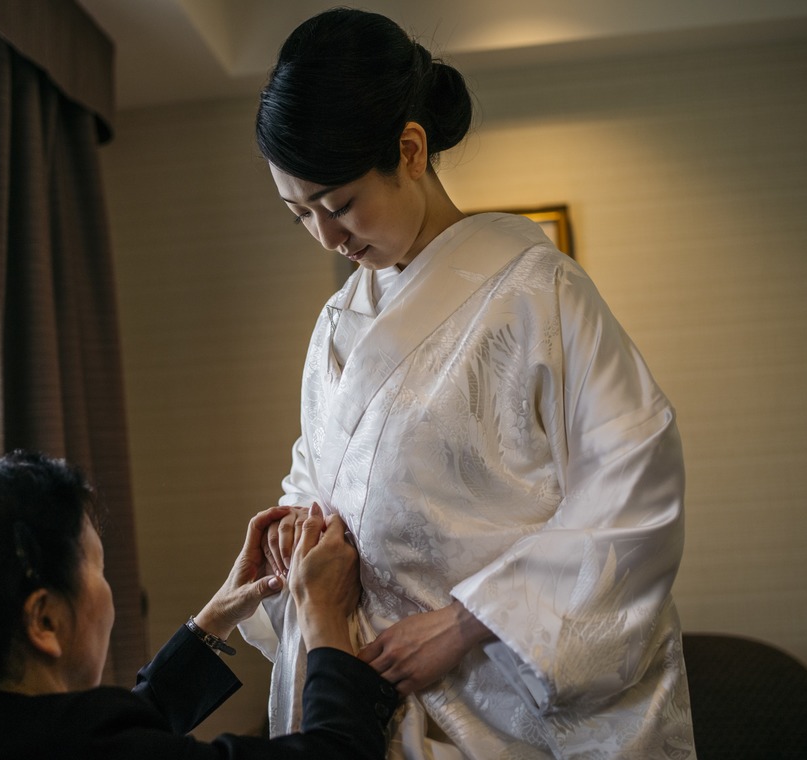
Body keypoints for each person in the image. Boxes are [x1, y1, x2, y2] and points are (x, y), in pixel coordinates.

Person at [237, 8, 697, 759]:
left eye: (340, 203)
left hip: (501, 690)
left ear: (410, 150)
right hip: (367, 699)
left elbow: (634, 488)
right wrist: (297, 527)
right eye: (301, 215)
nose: (327, 236)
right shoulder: (336, 324)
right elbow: (316, 475)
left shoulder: (535, 290)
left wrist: (466, 621)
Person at [0, 450, 399, 759]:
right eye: (96, 568)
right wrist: (324, 618)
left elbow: (91, 734)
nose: (110, 591)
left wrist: (214, 621)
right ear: (45, 620)